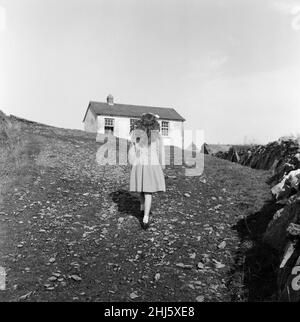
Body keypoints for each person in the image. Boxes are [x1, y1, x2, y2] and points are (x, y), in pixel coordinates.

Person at [128, 113, 166, 229]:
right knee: (148, 192)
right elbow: (160, 151)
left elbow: (132, 149)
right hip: (152, 165)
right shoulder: (157, 135)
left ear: (141, 122)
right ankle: (145, 217)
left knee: (141, 189)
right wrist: (162, 164)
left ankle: (142, 208)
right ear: (154, 123)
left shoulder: (137, 134)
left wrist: (132, 162)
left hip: (140, 164)